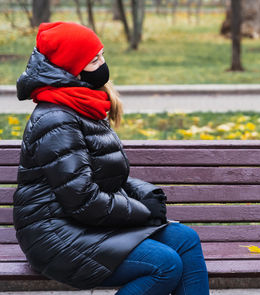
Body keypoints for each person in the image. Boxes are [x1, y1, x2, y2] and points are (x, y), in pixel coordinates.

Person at [13, 22, 209, 295]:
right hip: (55, 235)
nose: (103, 65)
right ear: (73, 68)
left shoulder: (80, 104)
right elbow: (82, 199)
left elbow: (107, 177)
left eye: (102, 55)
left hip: (85, 225)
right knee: (164, 264)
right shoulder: (56, 119)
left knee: (185, 239)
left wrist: (148, 198)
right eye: (94, 60)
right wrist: (143, 214)